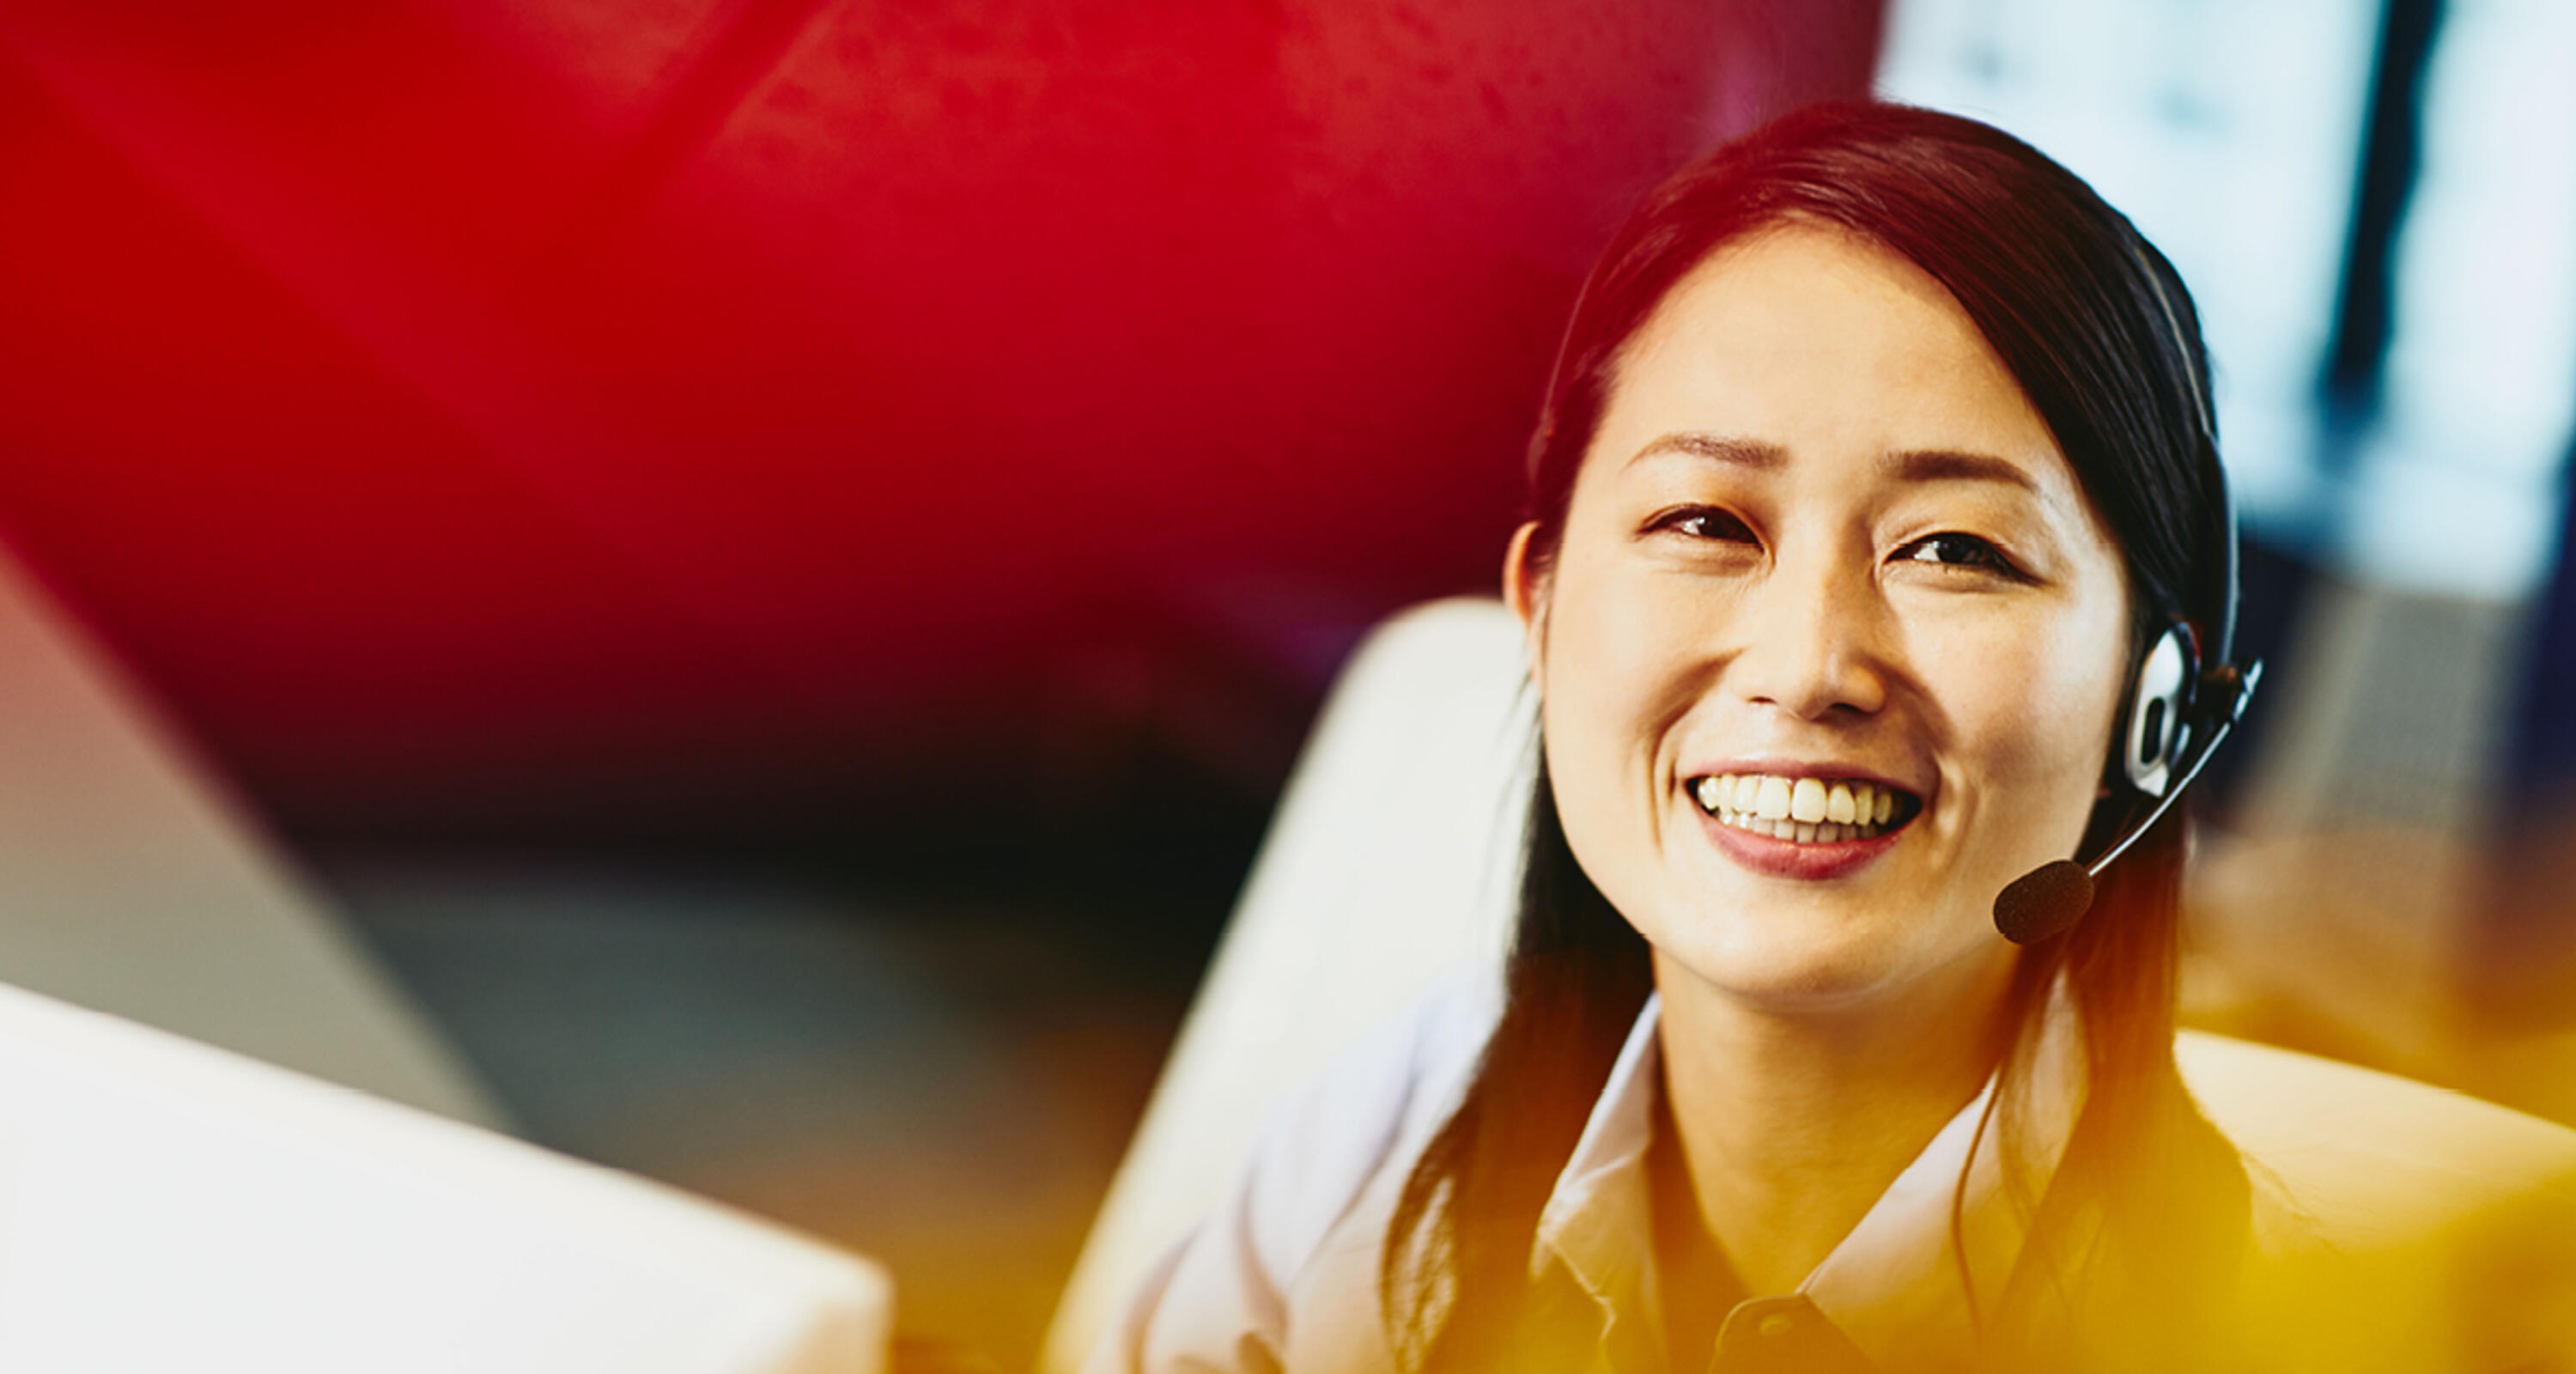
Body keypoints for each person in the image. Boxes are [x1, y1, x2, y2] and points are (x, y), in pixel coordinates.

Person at [1087, 101, 2576, 1374]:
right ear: (1541, 611)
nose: (1810, 668)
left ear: (2157, 700)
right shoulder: (1382, 1144)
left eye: (1957, 552)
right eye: (1703, 522)